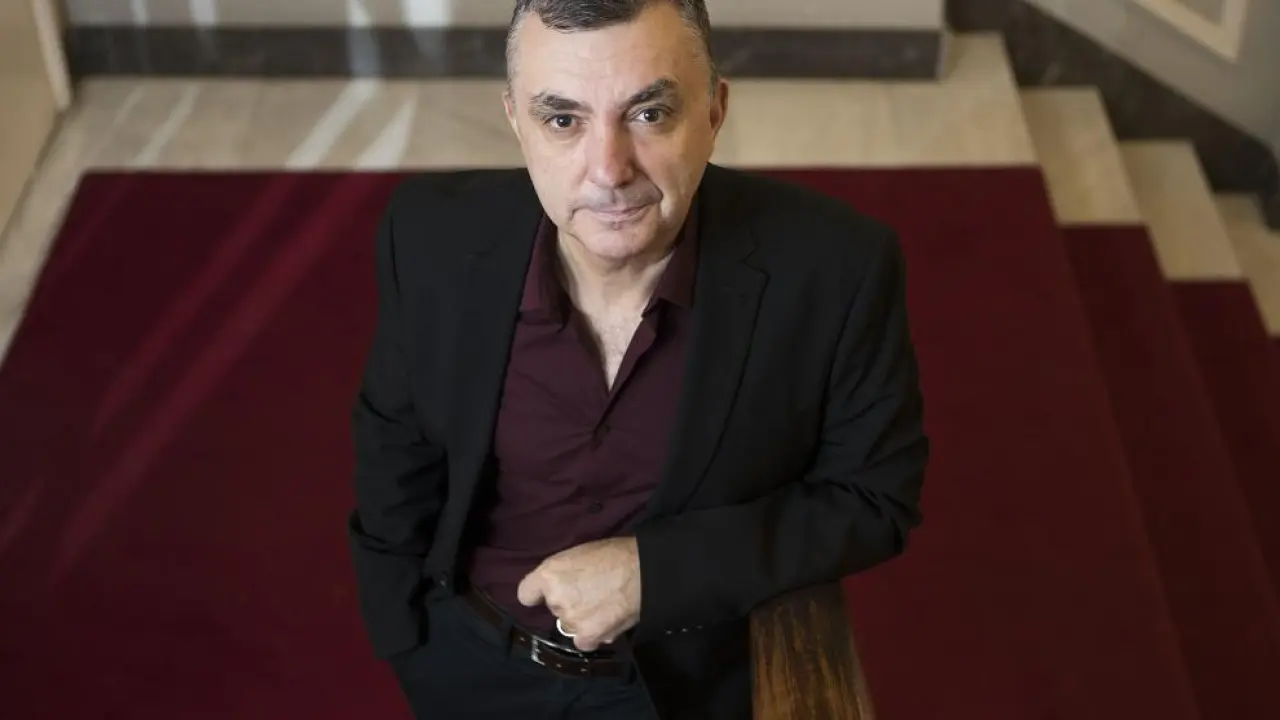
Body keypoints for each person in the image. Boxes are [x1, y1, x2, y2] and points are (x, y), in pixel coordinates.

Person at [347, 1, 930, 718]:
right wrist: (404, 635)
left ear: (714, 111)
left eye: (649, 114)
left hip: (682, 692)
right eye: (563, 120)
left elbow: (873, 500)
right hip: (465, 664)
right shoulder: (428, 235)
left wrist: (655, 574)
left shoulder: (837, 267)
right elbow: (395, 448)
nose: (609, 170)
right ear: (516, 121)